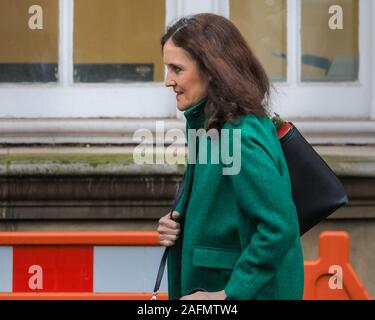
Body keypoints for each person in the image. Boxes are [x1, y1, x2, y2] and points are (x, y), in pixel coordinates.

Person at [157, 13, 304, 300]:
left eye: (177, 69)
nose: (167, 81)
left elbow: (278, 227)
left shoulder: (240, 133)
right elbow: (225, 210)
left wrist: (228, 294)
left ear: (212, 70)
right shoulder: (212, 126)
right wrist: (178, 222)